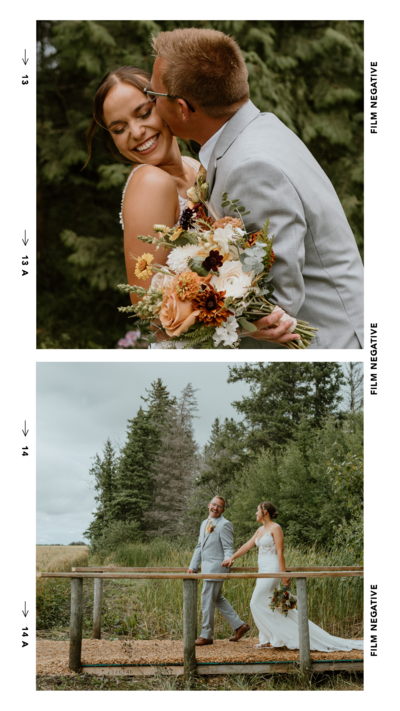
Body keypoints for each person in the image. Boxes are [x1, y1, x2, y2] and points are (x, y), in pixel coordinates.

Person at [147, 28, 364, 349]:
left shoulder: (251, 168)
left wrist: (203, 322)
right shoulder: (259, 127)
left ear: (182, 108)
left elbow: (281, 301)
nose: (150, 102)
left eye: (154, 95)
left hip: (332, 346)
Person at [85, 65, 300, 348]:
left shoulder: (196, 167)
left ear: (165, 104)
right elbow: (147, 308)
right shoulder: (150, 182)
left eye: (144, 113)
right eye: (119, 128)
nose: (136, 132)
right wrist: (242, 327)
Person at [222, 502, 364, 651]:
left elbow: (280, 552)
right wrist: (232, 557)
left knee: (255, 603)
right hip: (262, 571)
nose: (255, 513)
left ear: (264, 512)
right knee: (271, 605)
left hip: (272, 570)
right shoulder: (259, 530)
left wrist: (283, 575)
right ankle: (272, 638)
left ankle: (277, 637)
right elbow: (247, 545)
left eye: (257, 510)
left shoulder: (276, 528)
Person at [188, 496, 250, 645]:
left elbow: (228, 547)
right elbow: (199, 547)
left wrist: (228, 559)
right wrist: (192, 566)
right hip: (206, 569)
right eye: (214, 505)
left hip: (217, 568)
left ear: (223, 510)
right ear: (209, 505)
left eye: (219, 506)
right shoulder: (204, 523)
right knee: (217, 599)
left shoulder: (225, 524)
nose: (215, 508)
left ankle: (206, 634)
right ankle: (240, 626)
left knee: (206, 600)